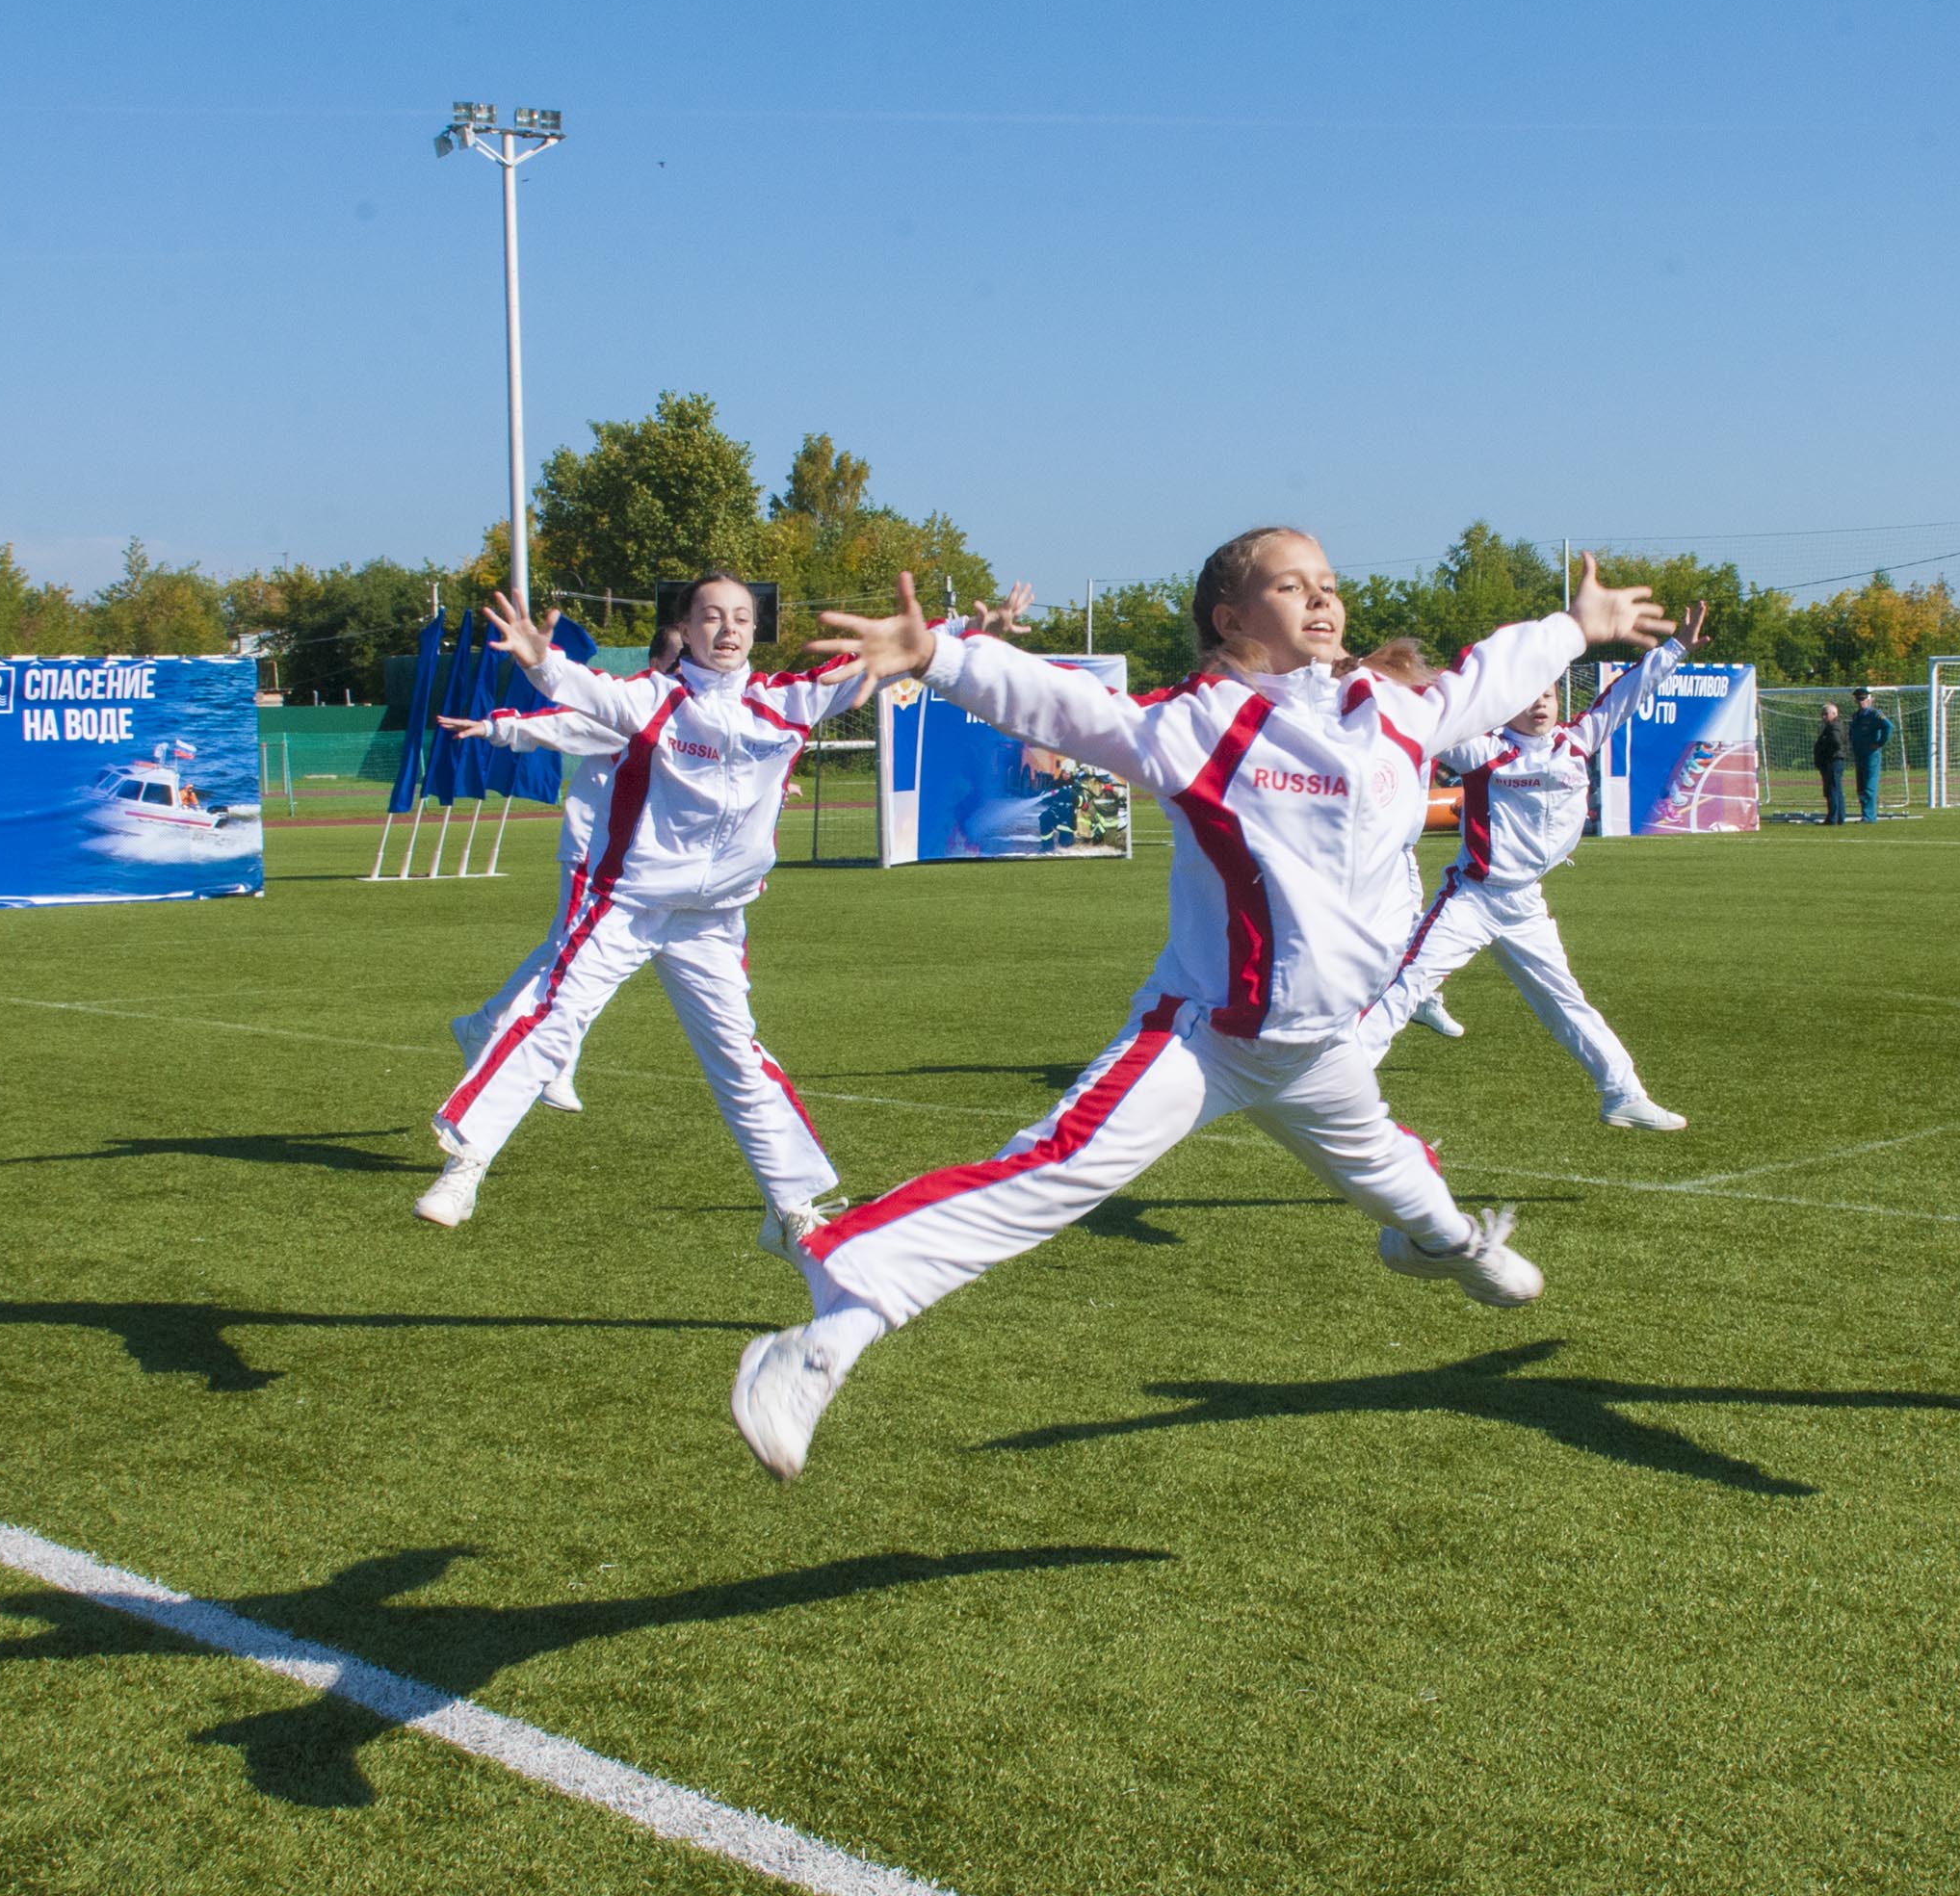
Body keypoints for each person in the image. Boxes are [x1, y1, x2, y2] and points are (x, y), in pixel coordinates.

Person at [726, 534, 1679, 1482]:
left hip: (1320, 1049)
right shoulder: (1198, 723)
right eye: (1289, 586)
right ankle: (818, 1345)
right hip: (1205, 1037)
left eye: (1330, 586)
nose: (1321, 602)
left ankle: (1454, 1243)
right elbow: (1067, 704)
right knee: (1053, 1171)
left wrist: (1578, 625)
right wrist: (941, 654)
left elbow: (1490, 672)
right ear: (1230, 619)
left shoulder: (1392, 711)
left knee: (1399, 1181)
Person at [414, 575, 865, 1261]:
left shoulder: (786, 702)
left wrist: (959, 637)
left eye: (740, 617)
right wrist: (539, 662)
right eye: (711, 616)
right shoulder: (654, 699)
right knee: (555, 1015)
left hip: (712, 921)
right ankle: (466, 1163)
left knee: (739, 1061)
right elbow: (581, 698)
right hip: (626, 904)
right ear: (684, 627)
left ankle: (791, 1208)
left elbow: (889, 656)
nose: (727, 629)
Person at [1355, 602, 1710, 1130]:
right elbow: (1423, 718)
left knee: (1566, 999)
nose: (1539, 705)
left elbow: (1628, 695)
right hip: (1473, 897)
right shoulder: (1482, 749)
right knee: (1405, 985)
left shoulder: (1576, 742)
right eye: (1528, 697)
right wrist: (1369, 682)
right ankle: (1340, 1083)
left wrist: (1675, 651)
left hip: (1525, 903)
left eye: (1547, 695)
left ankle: (1622, 1093)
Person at [441, 619, 685, 1116]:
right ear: (657, 662)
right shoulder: (633, 705)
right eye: (680, 660)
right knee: (572, 956)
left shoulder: (691, 714)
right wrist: (497, 728)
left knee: (563, 950)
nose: (688, 669)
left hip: (639, 864)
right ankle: (551, 1057)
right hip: (593, 854)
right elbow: (562, 724)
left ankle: (484, 1024)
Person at [1356, 636, 1464, 1041]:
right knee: (1372, 943)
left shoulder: (1420, 720)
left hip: (1403, 853)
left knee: (1412, 934)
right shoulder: (1362, 724)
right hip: (1367, 855)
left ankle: (1421, 999)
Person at [1847, 687, 1892, 823]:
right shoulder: (1856, 716)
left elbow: (1888, 727)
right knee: (1860, 786)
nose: (1861, 702)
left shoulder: (1875, 715)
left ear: (1870, 699)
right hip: (1859, 753)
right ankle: (1865, 814)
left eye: (1863, 699)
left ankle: (1869, 816)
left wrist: (1879, 743)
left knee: (1869, 786)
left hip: (1871, 755)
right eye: (1858, 699)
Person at [1812, 702, 1846, 824]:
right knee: (1836, 789)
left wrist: (1825, 753)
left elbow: (1836, 743)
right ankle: (1839, 817)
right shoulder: (1833, 726)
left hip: (1832, 761)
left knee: (1832, 789)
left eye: (1826, 714)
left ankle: (1833, 818)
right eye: (1823, 714)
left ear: (1834, 714)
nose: (1824, 717)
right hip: (1834, 760)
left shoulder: (1834, 726)